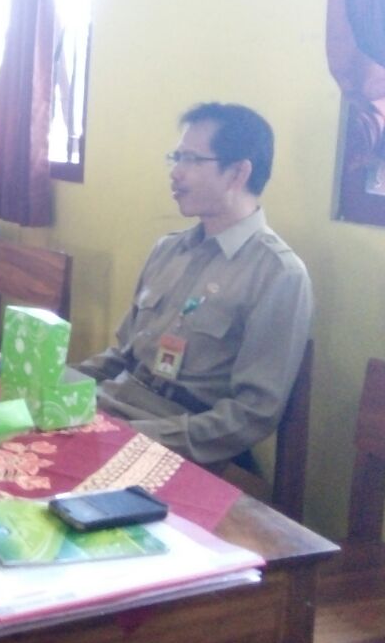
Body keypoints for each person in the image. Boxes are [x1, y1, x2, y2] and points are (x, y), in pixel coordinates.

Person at [73, 102, 312, 469]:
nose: (176, 173)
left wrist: (138, 439)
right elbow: (122, 356)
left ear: (238, 172)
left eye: (191, 159)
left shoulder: (278, 274)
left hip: (181, 446)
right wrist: (52, 385)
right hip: (108, 412)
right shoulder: (168, 250)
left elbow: (252, 415)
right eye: (176, 158)